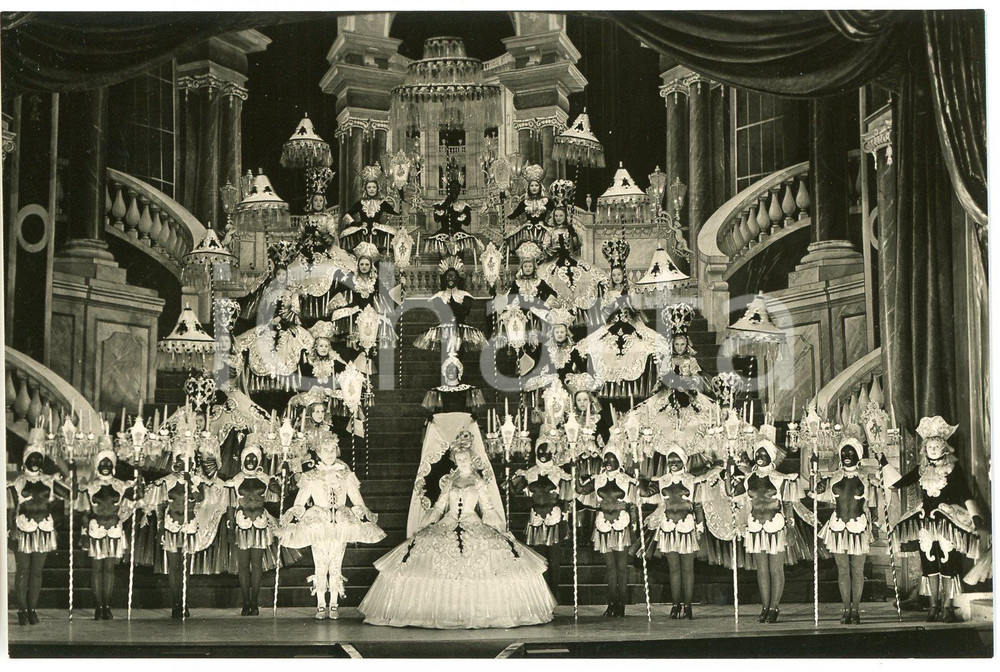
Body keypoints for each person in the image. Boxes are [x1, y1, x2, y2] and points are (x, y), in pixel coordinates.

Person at [359, 440, 556, 629]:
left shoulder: (478, 482)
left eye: (465, 459)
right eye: (459, 459)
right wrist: (425, 524)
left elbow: (487, 508)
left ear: (471, 460)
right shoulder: (450, 482)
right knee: (426, 544)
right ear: (455, 460)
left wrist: (500, 529)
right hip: (449, 520)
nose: (462, 462)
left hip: (472, 521)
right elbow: (439, 506)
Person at [879, 416, 984, 623]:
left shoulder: (953, 469)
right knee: (929, 564)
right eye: (930, 446)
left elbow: (965, 493)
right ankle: (933, 606)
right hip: (926, 522)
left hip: (947, 523)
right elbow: (900, 482)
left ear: (944, 448)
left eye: (936, 446)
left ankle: (947, 607)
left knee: (948, 564)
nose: (933, 449)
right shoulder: (921, 469)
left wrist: (975, 514)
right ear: (925, 449)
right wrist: (883, 464)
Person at [279, 434, 384, 620]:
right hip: (318, 523)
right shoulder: (310, 476)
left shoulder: (345, 475)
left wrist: (364, 517)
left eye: (332, 450)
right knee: (320, 564)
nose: (329, 454)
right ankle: (321, 604)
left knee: (336, 564)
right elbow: (300, 502)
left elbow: (357, 500)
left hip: (340, 523)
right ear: (318, 453)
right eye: (325, 450)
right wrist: (292, 518)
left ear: (337, 451)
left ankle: (334, 603)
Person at [574, 239, 669, 399]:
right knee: (590, 347)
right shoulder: (608, 292)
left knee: (652, 345)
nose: (616, 277)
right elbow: (604, 314)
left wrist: (628, 304)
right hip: (611, 324)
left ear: (623, 274)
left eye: (619, 274)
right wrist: (613, 307)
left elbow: (638, 311)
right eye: (614, 275)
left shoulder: (630, 289)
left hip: (630, 323)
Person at [638, 445, 722, 619]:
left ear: (684, 461)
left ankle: (688, 606)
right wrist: (637, 477)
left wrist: (700, 528)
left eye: (677, 460)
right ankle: (675, 605)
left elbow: (697, 506)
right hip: (668, 528)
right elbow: (645, 493)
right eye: (671, 460)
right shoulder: (661, 480)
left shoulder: (692, 480)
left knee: (688, 569)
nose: (673, 463)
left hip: (687, 527)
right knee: (674, 569)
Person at [728, 438, 806, 624]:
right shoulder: (749, 478)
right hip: (755, 526)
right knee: (761, 569)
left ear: (771, 456)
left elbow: (787, 505)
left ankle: (774, 606)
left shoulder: (781, 478)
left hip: (775, 526)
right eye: (757, 454)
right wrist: (728, 471)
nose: (760, 457)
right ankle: (765, 606)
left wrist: (790, 528)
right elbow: (732, 493)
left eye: (764, 454)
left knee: (775, 568)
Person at [813, 436, 880, 625]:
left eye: (851, 453)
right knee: (842, 570)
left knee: (857, 570)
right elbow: (818, 494)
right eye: (844, 453)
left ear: (858, 455)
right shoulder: (833, 477)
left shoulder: (866, 478)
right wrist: (816, 481)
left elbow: (873, 504)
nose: (847, 456)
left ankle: (856, 609)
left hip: (859, 526)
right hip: (837, 527)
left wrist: (875, 525)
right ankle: (846, 609)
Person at [8, 430, 71, 626]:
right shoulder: (16, 483)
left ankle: (32, 609)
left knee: (37, 571)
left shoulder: (49, 481)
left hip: (43, 530)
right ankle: (22, 610)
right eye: (32, 458)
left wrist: (70, 470)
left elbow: (71, 495)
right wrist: (10, 530)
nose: (35, 461)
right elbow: (10, 508)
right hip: (23, 529)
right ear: (25, 460)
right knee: (23, 571)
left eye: (39, 458)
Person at [77, 447, 141, 620]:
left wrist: (138, 473)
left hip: (114, 530)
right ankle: (99, 606)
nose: (105, 467)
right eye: (102, 463)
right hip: (95, 530)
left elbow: (138, 497)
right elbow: (84, 512)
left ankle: (107, 605)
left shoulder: (120, 485)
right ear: (97, 466)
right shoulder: (90, 486)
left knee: (109, 569)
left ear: (113, 466)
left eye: (108, 464)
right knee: (97, 569)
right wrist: (84, 533)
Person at [577, 445, 638, 617]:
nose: (608, 462)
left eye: (612, 459)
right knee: (610, 567)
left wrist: (634, 524)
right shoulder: (598, 479)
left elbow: (633, 503)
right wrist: (575, 470)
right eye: (606, 459)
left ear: (618, 460)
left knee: (621, 567)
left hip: (621, 525)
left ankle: (621, 604)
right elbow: (580, 490)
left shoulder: (626, 480)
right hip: (603, 524)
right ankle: (611, 603)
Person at [224, 442, 283, 616]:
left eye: (254, 459)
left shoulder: (265, 478)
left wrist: (278, 486)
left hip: (259, 524)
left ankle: (254, 603)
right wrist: (230, 526)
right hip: (242, 524)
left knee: (256, 564)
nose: (250, 462)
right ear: (243, 460)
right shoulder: (236, 479)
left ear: (258, 460)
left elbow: (278, 496)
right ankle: (246, 603)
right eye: (247, 458)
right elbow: (230, 505)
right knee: (243, 565)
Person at [511, 439, 573, 598]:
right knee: (538, 558)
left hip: (554, 518)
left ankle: (554, 593)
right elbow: (514, 491)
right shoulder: (530, 472)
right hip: (536, 518)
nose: (543, 455)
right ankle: (541, 595)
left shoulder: (559, 472)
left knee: (554, 558)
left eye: (546, 451)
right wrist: (511, 476)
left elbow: (568, 496)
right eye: (540, 451)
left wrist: (565, 517)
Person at [413, 256, 485, 355]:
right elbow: (443, 310)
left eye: (453, 276)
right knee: (445, 355)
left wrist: (453, 303)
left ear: (458, 279)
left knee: (458, 355)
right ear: (444, 279)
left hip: (460, 331)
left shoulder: (464, 295)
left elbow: (465, 312)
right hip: (444, 332)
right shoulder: (439, 296)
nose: (450, 279)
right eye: (448, 277)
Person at [340, 165, 400, 252]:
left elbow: (395, 213)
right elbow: (347, 215)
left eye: (374, 187)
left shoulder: (382, 203)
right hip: (362, 233)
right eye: (369, 187)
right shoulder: (360, 203)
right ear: (365, 189)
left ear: (377, 189)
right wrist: (355, 223)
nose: (371, 189)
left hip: (378, 234)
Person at [425, 168, 478, 256]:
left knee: (459, 259)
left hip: (459, 236)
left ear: (459, 190)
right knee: (443, 259)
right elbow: (437, 219)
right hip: (443, 235)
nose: (454, 191)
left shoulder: (464, 206)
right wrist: (446, 203)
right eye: (451, 189)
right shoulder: (440, 205)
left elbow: (467, 222)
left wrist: (459, 215)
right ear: (447, 190)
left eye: (456, 189)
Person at [505, 164, 553, 249]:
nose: (534, 188)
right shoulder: (524, 202)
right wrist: (504, 219)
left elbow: (556, 213)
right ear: (528, 187)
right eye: (532, 185)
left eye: (536, 185)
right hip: (527, 232)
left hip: (543, 231)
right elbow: (514, 215)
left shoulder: (547, 201)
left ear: (540, 187)